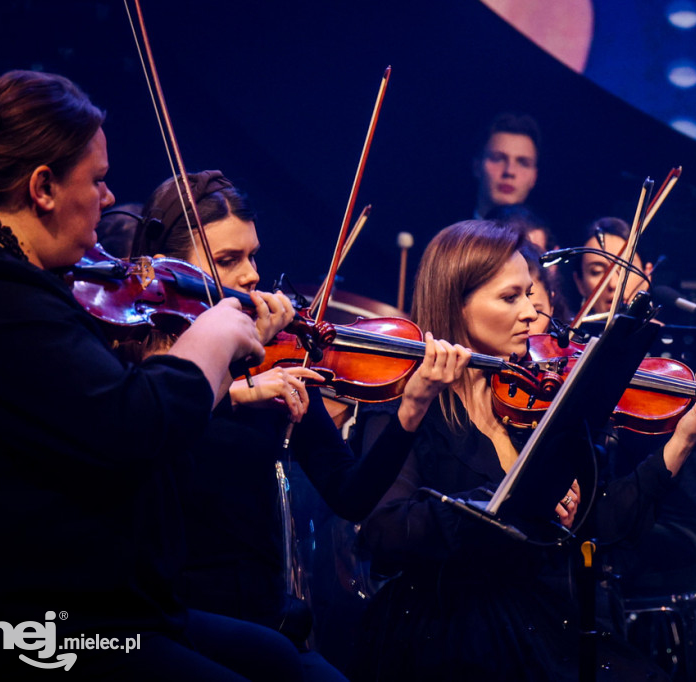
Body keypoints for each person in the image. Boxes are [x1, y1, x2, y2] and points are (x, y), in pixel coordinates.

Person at [0, 70, 305, 679]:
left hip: (124, 606)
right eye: (96, 180)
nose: (107, 198)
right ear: (43, 188)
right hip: (48, 623)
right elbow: (132, 423)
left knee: (284, 660)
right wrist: (209, 340)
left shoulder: (36, 286)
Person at [346, 220, 696, 681]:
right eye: (510, 297)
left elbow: (600, 526)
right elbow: (384, 530)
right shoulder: (407, 406)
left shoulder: (531, 401)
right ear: (456, 303)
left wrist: (682, 440)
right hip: (447, 628)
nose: (532, 313)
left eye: (531, 295)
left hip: (537, 617)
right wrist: (505, 504)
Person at [130, 171, 471, 679]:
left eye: (253, 256)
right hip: (174, 619)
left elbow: (351, 496)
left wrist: (412, 409)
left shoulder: (275, 359)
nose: (251, 275)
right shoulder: (135, 371)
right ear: (169, 267)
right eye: (228, 260)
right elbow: (147, 458)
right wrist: (231, 386)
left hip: (265, 618)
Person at [572, 216, 654, 319]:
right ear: (580, 283)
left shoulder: (664, 330)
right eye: (597, 271)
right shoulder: (571, 330)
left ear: (647, 275)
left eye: (625, 269)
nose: (613, 284)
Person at [472, 112, 541, 220]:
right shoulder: (448, 230)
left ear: (534, 177)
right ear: (477, 167)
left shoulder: (548, 231)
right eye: (498, 159)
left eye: (523, 163)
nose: (509, 171)